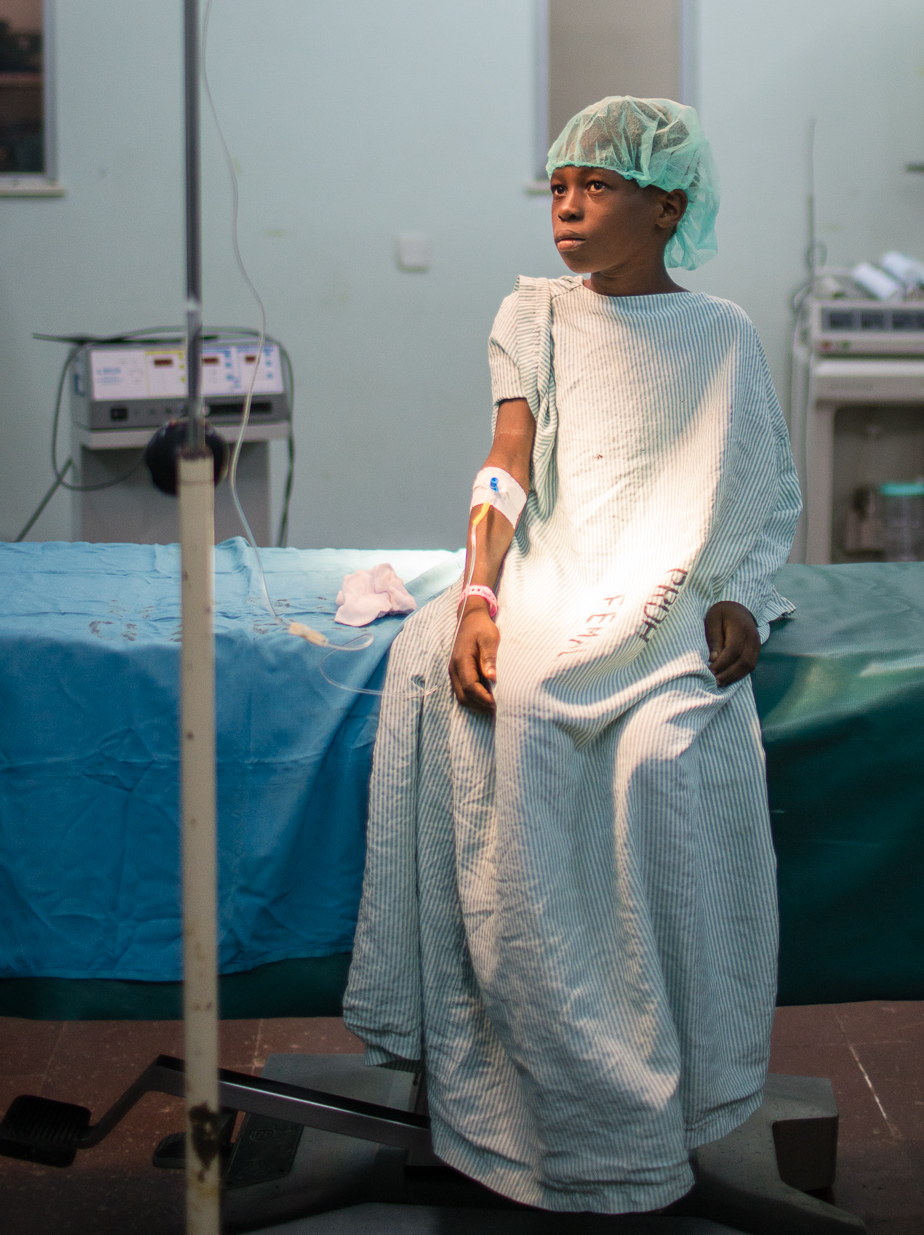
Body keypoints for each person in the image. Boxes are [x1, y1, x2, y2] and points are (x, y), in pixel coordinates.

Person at [344, 95, 801, 1215]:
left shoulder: (721, 335)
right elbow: (506, 464)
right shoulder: (532, 314)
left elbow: (751, 492)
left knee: (663, 748)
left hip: (653, 578)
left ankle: (646, 1092)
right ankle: (518, 1076)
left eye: (594, 185)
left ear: (665, 204)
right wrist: (480, 593)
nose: (566, 205)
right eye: (556, 186)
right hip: (553, 566)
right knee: (506, 704)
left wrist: (736, 590)